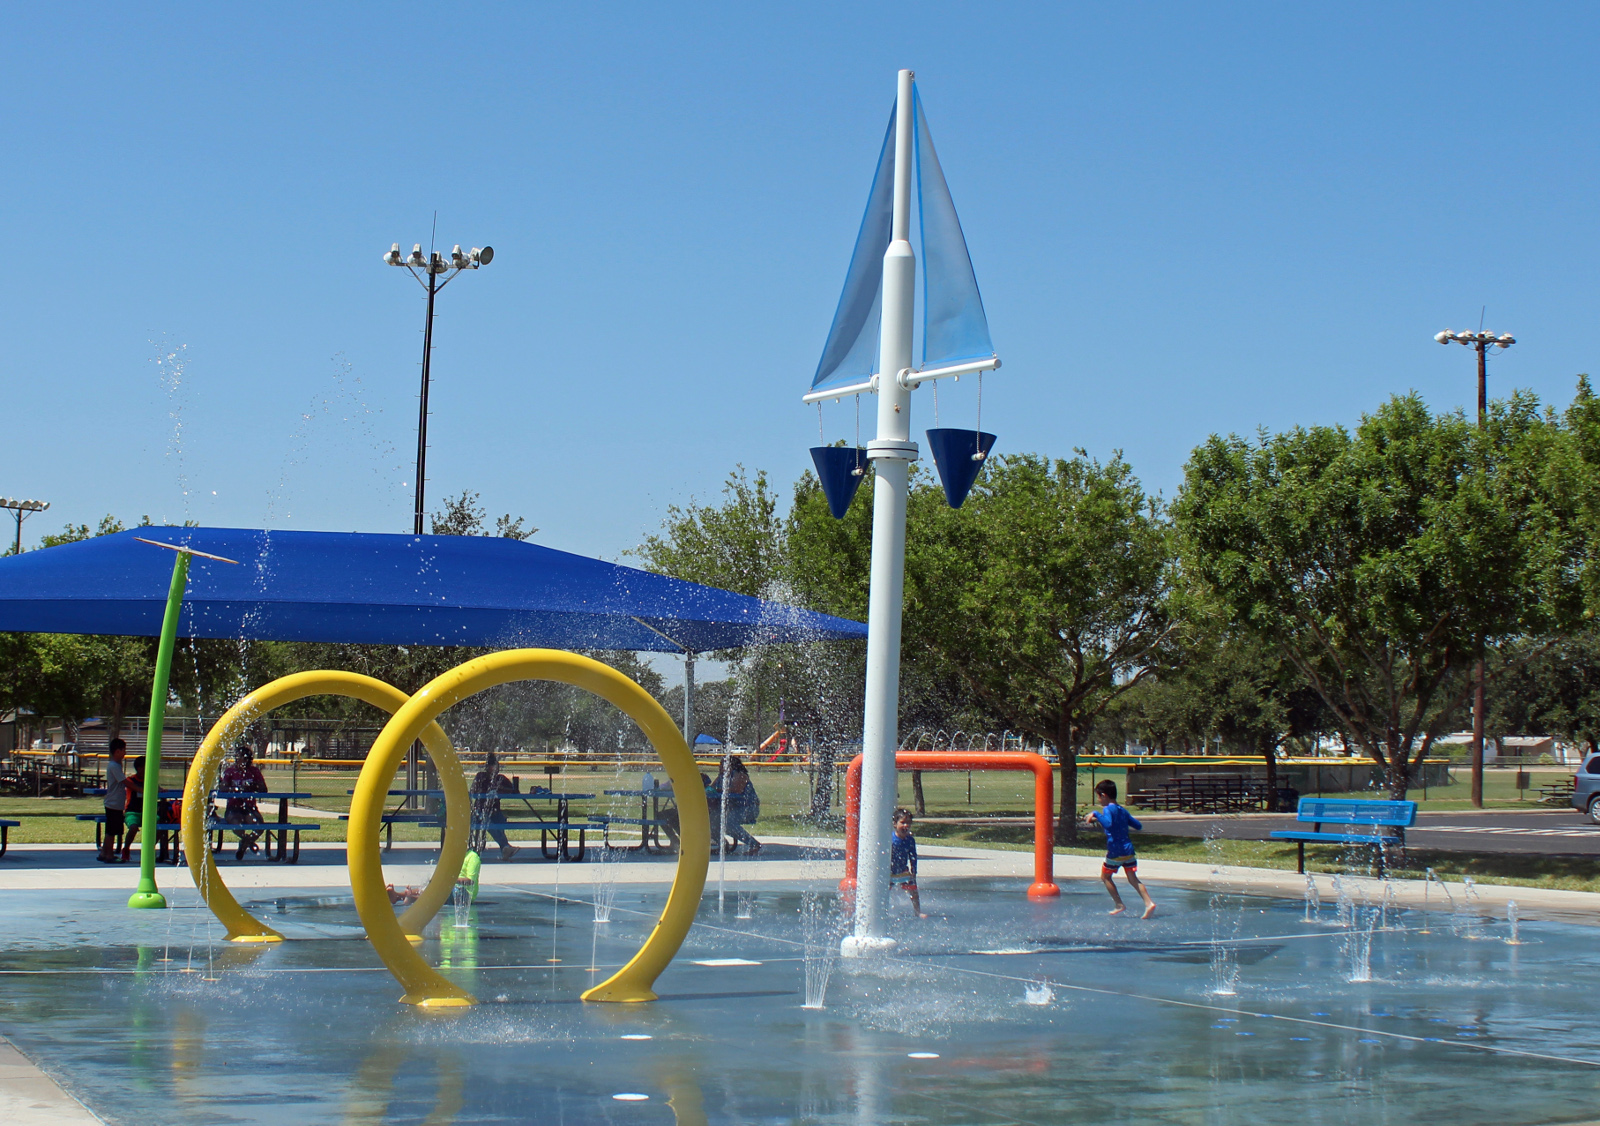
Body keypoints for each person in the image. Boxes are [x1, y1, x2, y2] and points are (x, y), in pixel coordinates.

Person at [1083, 779, 1156, 919]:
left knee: (1105, 877)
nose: (1099, 800)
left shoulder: (1107, 809)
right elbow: (1138, 826)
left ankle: (1119, 904)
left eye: (1098, 797)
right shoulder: (1122, 810)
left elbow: (1109, 824)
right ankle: (1149, 903)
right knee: (1133, 879)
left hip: (1115, 852)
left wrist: (1096, 814)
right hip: (1128, 851)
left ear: (1103, 795)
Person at [219, 745, 268, 860]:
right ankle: (248, 842)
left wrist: (252, 786)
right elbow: (222, 788)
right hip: (233, 807)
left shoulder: (254, 771)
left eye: (246, 759)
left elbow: (263, 789)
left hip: (249, 807)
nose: (243, 761)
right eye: (241, 758)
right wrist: (234, 789)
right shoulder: (230, 771)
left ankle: (245, 843)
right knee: (236, 824)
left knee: (259, 826)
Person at [470, 751, 520, 861]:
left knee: (500, 821)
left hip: (495, 811)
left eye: (497, 766)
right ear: (487, 767)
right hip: (480, 810)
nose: (496, 769)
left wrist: (500, 789)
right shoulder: (480, 777)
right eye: (493, 766)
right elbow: (473, 791)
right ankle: (505, 847)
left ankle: (505, 848)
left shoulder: (500, 779)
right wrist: (486, 791)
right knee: (486, 821)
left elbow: (514, 791)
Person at [709, 757, 761, 855]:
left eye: (723, 764)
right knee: (710, 820)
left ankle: (754, 845)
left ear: (731, 765)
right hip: (732, 809)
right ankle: (723, 845)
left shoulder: (740, 775)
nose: (720, 767)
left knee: (727, 823)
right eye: (720, 765)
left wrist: (719, 790)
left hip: (748, 808)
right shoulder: (721, 777)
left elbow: (737, 790)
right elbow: (712, 789)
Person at [97, 738, 132, 863]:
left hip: (116, 803)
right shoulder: (114, 766)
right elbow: (124, 781)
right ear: (117, 751)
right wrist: (139, 788)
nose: (125, 753)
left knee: (111, 830)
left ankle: (104, 853)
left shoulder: (116, 765)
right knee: (112, 831)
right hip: (113, 803)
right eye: (123, 750)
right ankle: (109, 855)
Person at [890, 807, 926, 917]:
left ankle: (917, 911)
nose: (906, 826)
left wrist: (914, 870)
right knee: (884, 889)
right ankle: (880, 909)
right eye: (903, 823)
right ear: (895, 824)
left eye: (908, 823)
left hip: (903, 870)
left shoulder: (910, 840)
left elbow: (913, 856)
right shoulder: (890, 839)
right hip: (889, 871)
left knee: (913, 890)